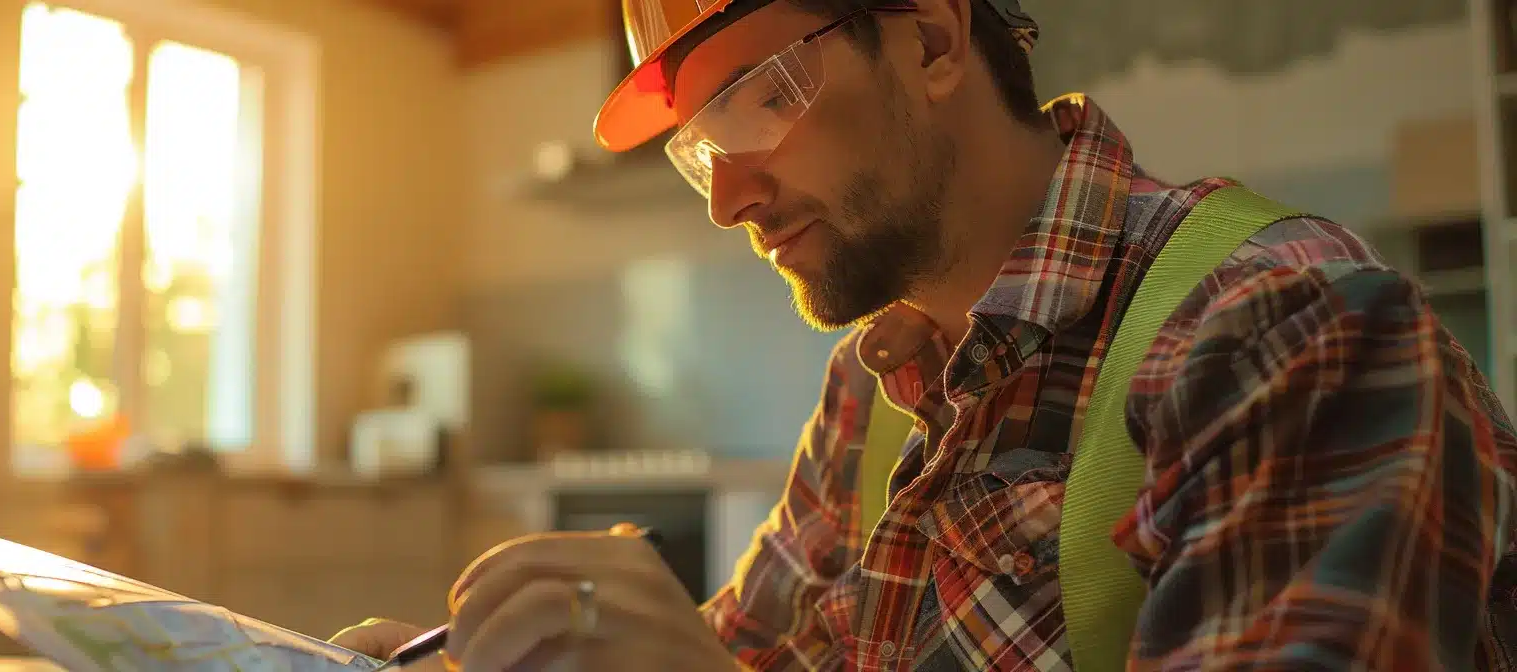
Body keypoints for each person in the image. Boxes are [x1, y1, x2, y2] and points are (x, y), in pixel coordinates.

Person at [332, 0, 1517, 669]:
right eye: (698, 142)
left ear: (935, 41)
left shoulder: (1288, 330)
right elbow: (750, 659)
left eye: (757, 99)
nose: (723, 198)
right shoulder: (875, 384)